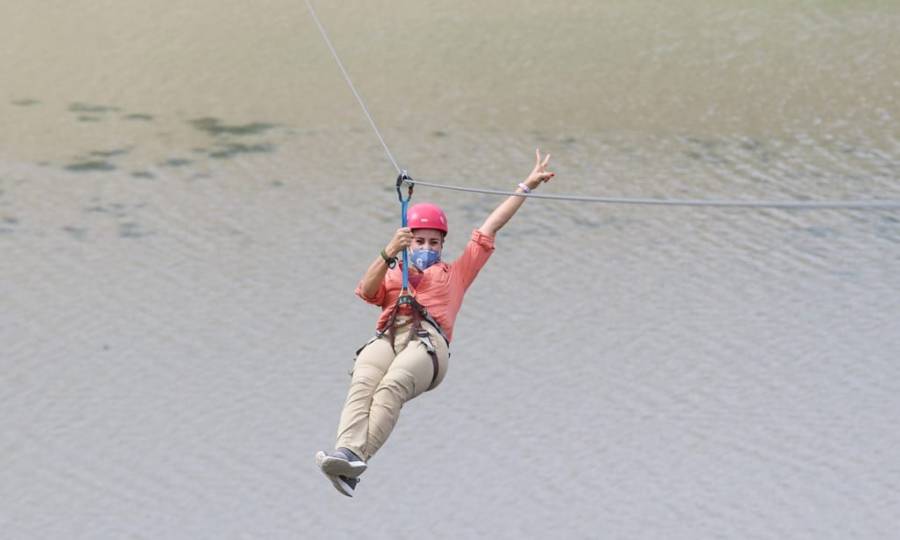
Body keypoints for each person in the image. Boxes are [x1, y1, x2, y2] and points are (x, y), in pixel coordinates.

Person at [316, 149, 555, 496]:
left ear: (442, 245)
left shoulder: (455, 274)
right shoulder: (395, 270)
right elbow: (366, 291)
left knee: (392, 386)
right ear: (408, 242)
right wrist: (387, 254)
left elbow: (490, 226)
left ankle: (357, 456)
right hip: (388, 336)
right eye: (418, 241)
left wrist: (527, 186)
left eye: (433, 242)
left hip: (428, 345)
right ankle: (344, 455)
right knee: (364, 379)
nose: (426, 247)